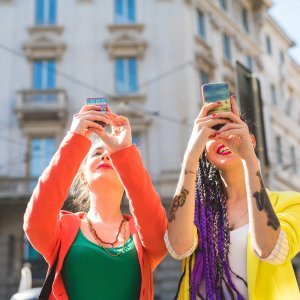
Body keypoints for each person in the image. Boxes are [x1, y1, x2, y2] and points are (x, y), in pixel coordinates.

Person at [23, 104, 167, 299]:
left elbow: (158, 235)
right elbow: (35, 222)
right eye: (97, 153)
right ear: (83, 175)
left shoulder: (141, 235)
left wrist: (124, 152)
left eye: (113, 156)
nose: (106, 155)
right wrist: (75, 138)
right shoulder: (64, 229)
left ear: (125, 172)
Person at [165, 96, 300, 299]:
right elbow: (178, 248)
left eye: (230, 128)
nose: (222, 137)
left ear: (251, 140)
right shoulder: (195, 210)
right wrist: (189, 158)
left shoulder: (291, 202)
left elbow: (270, 250)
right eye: (213, 132)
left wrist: (249, 160)